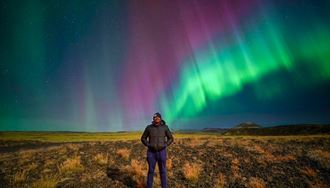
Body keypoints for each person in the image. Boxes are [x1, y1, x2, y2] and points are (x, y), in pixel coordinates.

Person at [141, 112, 174, 188]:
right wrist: (148, 145)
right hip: (151, 153)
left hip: (162, 152)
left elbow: (171, 138)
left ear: (160, 118)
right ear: (153, 119)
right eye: (155, 117)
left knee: (163, 171)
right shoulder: (149, 127)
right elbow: (143, 138)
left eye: (158, 117)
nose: (156, 119)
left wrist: (165, 145)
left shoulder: (165, 127)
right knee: (151, 171)